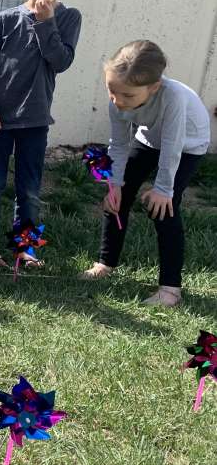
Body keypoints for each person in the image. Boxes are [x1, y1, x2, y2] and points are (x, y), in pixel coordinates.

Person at [0, 0, 82, 268]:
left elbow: (60, 61)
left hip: (35, 120)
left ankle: (25, 248)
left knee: (30, 189)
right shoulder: (7, 19)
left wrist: (45, 21)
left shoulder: (68, 17)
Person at [80, 41, 211, 307]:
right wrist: (114, 184)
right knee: (117, 200)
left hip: (187, 145)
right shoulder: (118, 97)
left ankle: (170, 290)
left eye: (128, 96)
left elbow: (172, 147)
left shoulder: (172, 97)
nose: (118, 100)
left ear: (154, 87)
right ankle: (105, 263)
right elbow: (117, 144)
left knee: (164, 208)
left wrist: (163, 190)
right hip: (150, 139)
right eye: (112, 91)